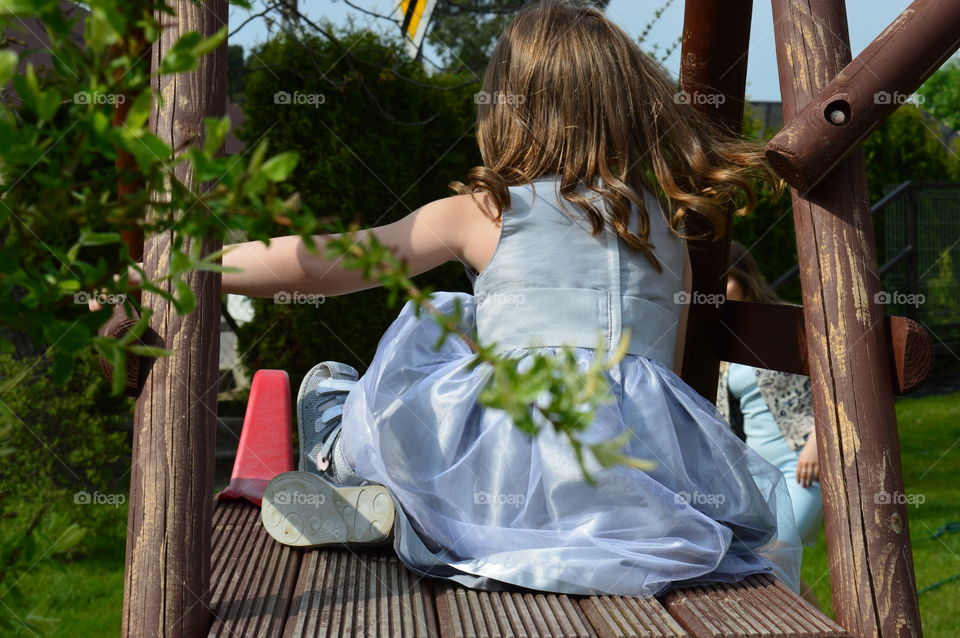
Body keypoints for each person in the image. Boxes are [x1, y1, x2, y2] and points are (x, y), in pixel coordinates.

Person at [111, 1, 802, 598]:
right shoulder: (666, 230)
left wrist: (195, 266)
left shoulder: (488, 211)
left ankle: (339, 452)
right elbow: (669, 378)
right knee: (473, 329)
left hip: (501, 474)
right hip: (632, 501)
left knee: (433, 326)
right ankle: (400, 502)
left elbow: (329, 262)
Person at [718, 240, 824, 605]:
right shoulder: (722, 339)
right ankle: (833, 630)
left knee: (773, 554)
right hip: (759, 477)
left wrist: (818, 442)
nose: (720, 291)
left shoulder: (789, 320)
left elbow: (836, 384)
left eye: (726, 280)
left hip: (803, 465)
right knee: (773, 564)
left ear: (744, 276)